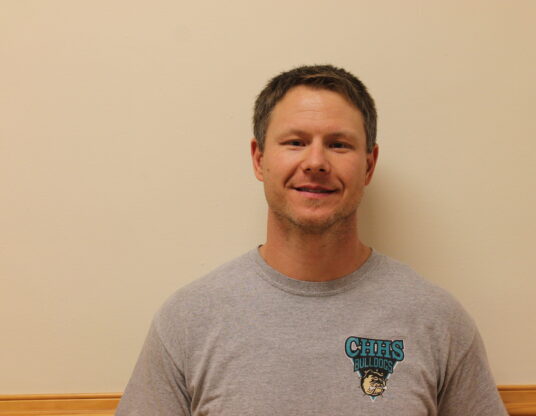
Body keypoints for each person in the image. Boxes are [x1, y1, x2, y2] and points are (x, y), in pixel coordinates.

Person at [116, 65, 508, 415]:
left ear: (368, 165)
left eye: (339, 144)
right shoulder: (189, 320)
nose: (316, 162)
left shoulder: (437, 320)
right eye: (295, 142)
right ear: (259, 159)